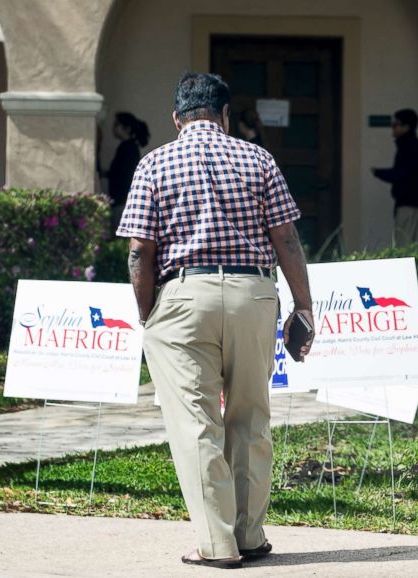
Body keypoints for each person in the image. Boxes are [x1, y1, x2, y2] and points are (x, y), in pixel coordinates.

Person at [118, 72, 313, 569]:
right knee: (250, 415)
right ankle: (249, 536)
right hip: (252, 293)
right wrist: (303, 307)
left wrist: (148, 312)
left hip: (183, 296)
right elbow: (286, 239)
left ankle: (216, 544)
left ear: (176, 117)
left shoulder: (153, 163)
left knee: (195, 424)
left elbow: (140, 250)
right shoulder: (258, 158)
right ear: (225, 115)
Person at [372, 108, 418, 246]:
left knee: (403, 245)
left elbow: (402, 173)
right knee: (409, 243)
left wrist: (379, 173)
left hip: (409, 202)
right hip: (415, 201)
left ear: (406, 127)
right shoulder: (412, 145)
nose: (393, 127)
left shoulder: (408, 146)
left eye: (396, 124)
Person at [106, 112, 150, 228]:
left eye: (116, 125)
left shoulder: (127, 147)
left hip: (122, 200)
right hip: (122, 199)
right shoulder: (130, 147)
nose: (113, 129)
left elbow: (122, 174)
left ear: (126, 128)